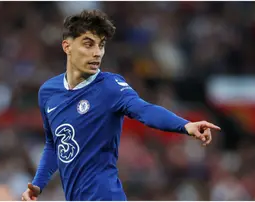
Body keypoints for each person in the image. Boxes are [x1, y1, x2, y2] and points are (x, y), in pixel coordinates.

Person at [21, 9, 220, 201]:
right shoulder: (48, 93)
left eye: (101, 45)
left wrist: (185, 125)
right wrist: (37, 186)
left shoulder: (110, 87)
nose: (97, 53)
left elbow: (144, 110)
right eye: (89, 44)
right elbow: (54, 145)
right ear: (67, 47)